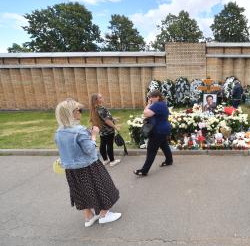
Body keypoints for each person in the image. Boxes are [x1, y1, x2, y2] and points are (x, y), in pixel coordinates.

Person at [54, 99, 121, 227]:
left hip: (71, 170)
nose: (81, 113)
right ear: (71, 113)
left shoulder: (59, 132)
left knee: (81, 190)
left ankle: (88, 216)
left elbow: (65, 150)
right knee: (100, 187)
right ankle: (104, 214)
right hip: (88, 166)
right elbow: (89, 149)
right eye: (79, 110)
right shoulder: (79, 130)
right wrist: (94, 135)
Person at [134, 90, 173, 176]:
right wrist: (151, 103)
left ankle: (144, 171)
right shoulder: (162, 103)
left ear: (157, 97)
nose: (150, 98)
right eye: (149, 97)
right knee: (164, 145)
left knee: (151, 150)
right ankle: (169, 160)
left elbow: (145, 113)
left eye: (152, 97)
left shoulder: (157, 104)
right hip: (164, 129)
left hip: (158, 131)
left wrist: (148, 103)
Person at [89, 93, 120, 167]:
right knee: (109, 145)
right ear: (96, 100)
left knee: (103, 145)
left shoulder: (95, 109)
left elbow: (103, 119)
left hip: (102, 131)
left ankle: (105, 160)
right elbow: (107, 121)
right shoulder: (101, 109)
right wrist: (115, 127)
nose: (102, 98)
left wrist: (113, 119)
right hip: (108, 130)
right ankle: (112, 161)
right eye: (100, 97)